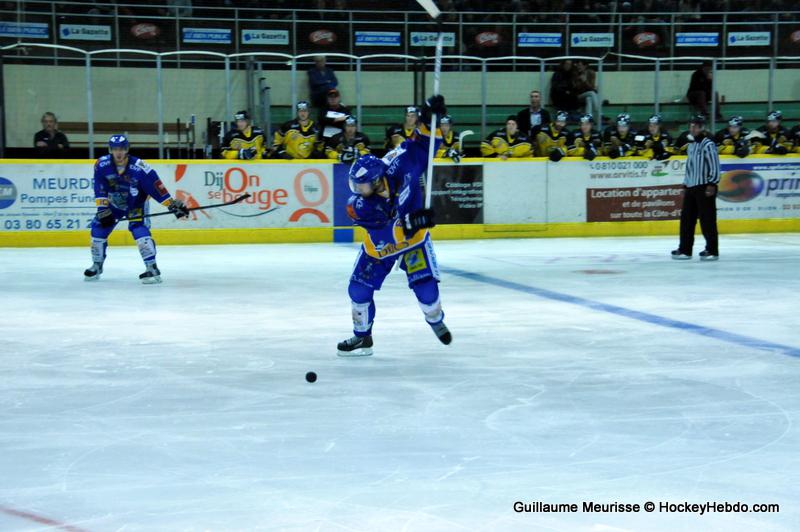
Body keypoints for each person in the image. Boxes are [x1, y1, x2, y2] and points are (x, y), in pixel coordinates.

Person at [337, 95, 452, 357]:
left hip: (413, 241)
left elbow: (423, 145)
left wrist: (428, 120)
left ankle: (435, 319)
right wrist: (412, 221)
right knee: (358, 289)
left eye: (362, 185)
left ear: (377, 180)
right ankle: (362, 337)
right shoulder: (361, 206)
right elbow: (384, 231)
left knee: (426, 289)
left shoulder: (402, 163)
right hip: (381, 247)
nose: (357, 190)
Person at [84, 135, 189, 283]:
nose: (118, 152)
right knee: (98, 227)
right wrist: (102, 208)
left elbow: (155, 187)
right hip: (114, 204)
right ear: (110, 150)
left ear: (127, 149)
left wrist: (171, 204)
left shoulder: (140, 167)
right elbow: (99, 187)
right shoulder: (101, 164)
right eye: (115, 149)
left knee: (139, 229)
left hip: (136, 204)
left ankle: (151, 267)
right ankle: (96, 265)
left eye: (121, 149)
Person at [672, 115, 720, 262]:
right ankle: (685, 249)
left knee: (707, 220)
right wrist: (685, 184)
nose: (692, 129)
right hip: (691, 186)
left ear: (702, 128)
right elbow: (690, 166)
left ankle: (712, 250)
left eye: (696, 126)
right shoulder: (691, 145)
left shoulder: (708, 144)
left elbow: (714, 165)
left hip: (705, 186)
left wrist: (712, 184)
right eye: (691, 126)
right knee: (687, 219)